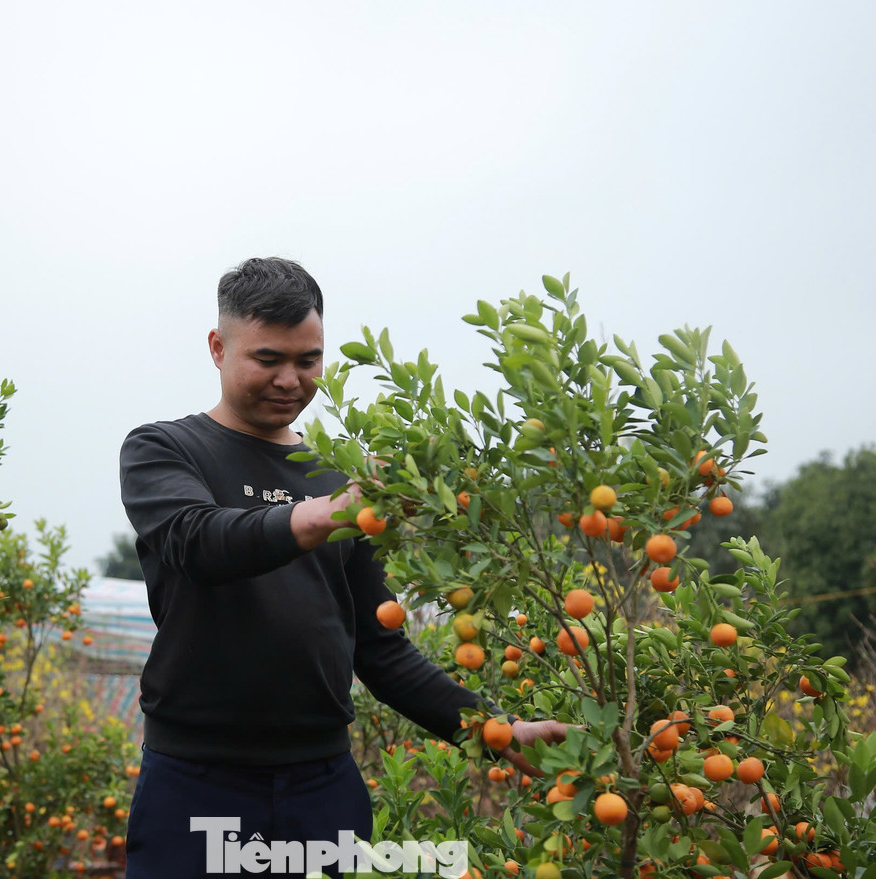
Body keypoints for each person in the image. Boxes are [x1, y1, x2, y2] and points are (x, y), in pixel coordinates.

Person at [118, 257, 568, 878]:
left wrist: (492, 727)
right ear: (218, 348)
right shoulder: (164, 449)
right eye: (268, 359)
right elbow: (199, 541)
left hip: (321, 784)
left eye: (308, 360)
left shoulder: (336, 477)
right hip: (196, 780)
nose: (290, 380)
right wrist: (333, 511)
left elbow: (379, 648)